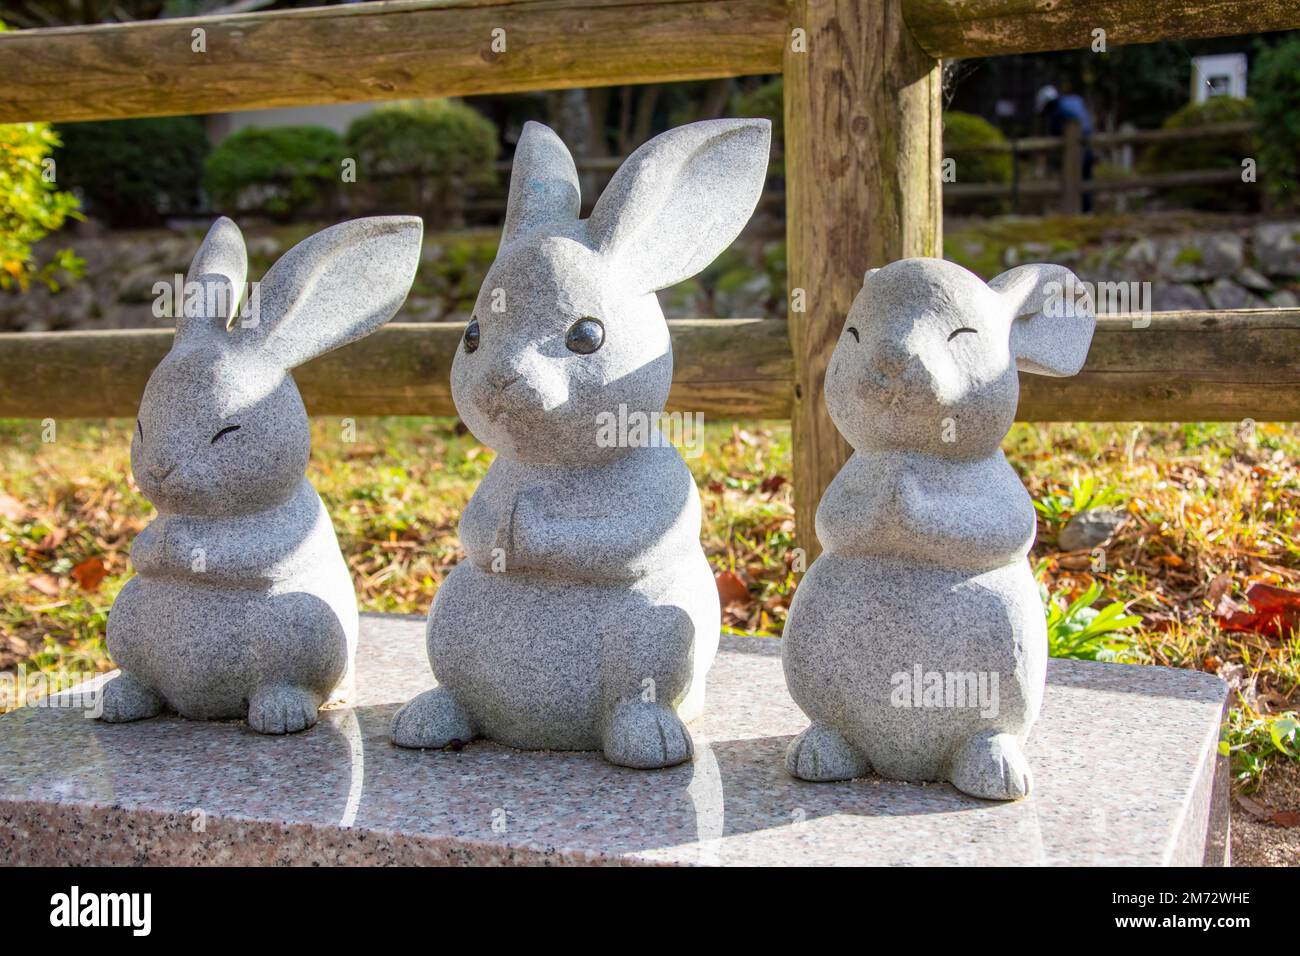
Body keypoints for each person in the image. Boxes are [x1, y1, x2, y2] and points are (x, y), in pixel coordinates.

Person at [1036, 85, 1096, 212]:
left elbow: (1055, 134)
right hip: (1088, 145)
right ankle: (1088, 211)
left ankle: (1078, 212)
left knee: (1073, 181)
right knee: (1086, 180)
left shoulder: (1057, 111)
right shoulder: (1075, 100)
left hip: (1075, 152)